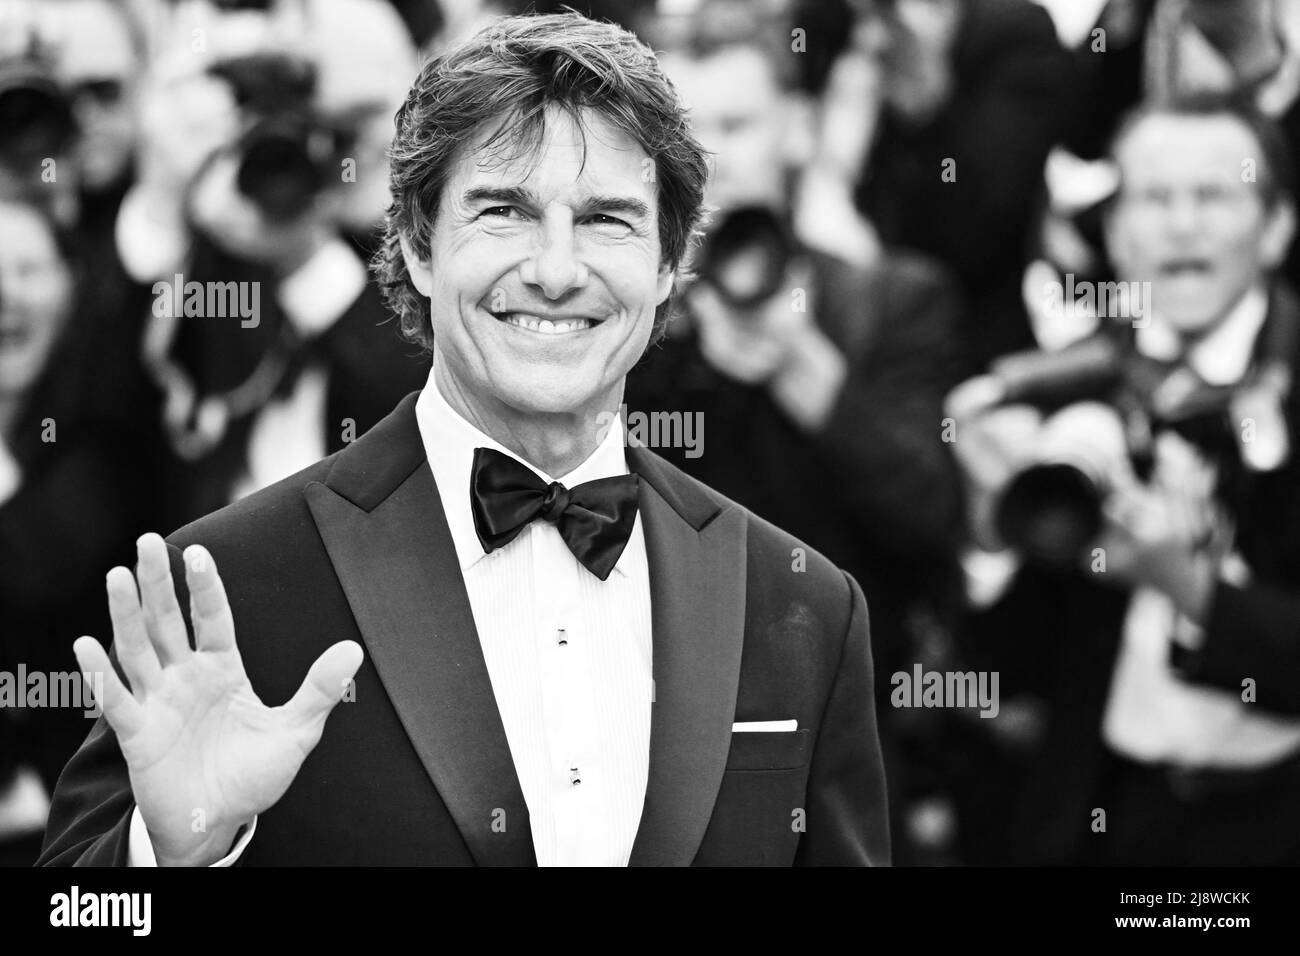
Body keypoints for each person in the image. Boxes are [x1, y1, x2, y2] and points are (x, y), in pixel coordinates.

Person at [38, 11, 890, 867]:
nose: (556, 272)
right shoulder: (232, 588)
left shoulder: (803, 608)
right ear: (417, 244)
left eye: (606, 220)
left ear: (667, 265)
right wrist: (174, 849)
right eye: (504, 212)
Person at [623, 4, 963, 863]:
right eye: (681, 132)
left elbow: (934, 520)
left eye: (737, 124)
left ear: (800, 129)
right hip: (649, 727)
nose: (711, 158)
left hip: (847, 728)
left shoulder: (888, 300)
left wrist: (805, 368)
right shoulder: (614, 314)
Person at [949, 96, 1300, 865]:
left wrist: (1187, 586)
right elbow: (996, 673)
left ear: (1276, 228)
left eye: (1213, 194)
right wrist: (996, 524)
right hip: (1102, 814)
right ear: (1115, 232)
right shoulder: (1062, 382)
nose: (1182, 224)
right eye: (1153, 197)